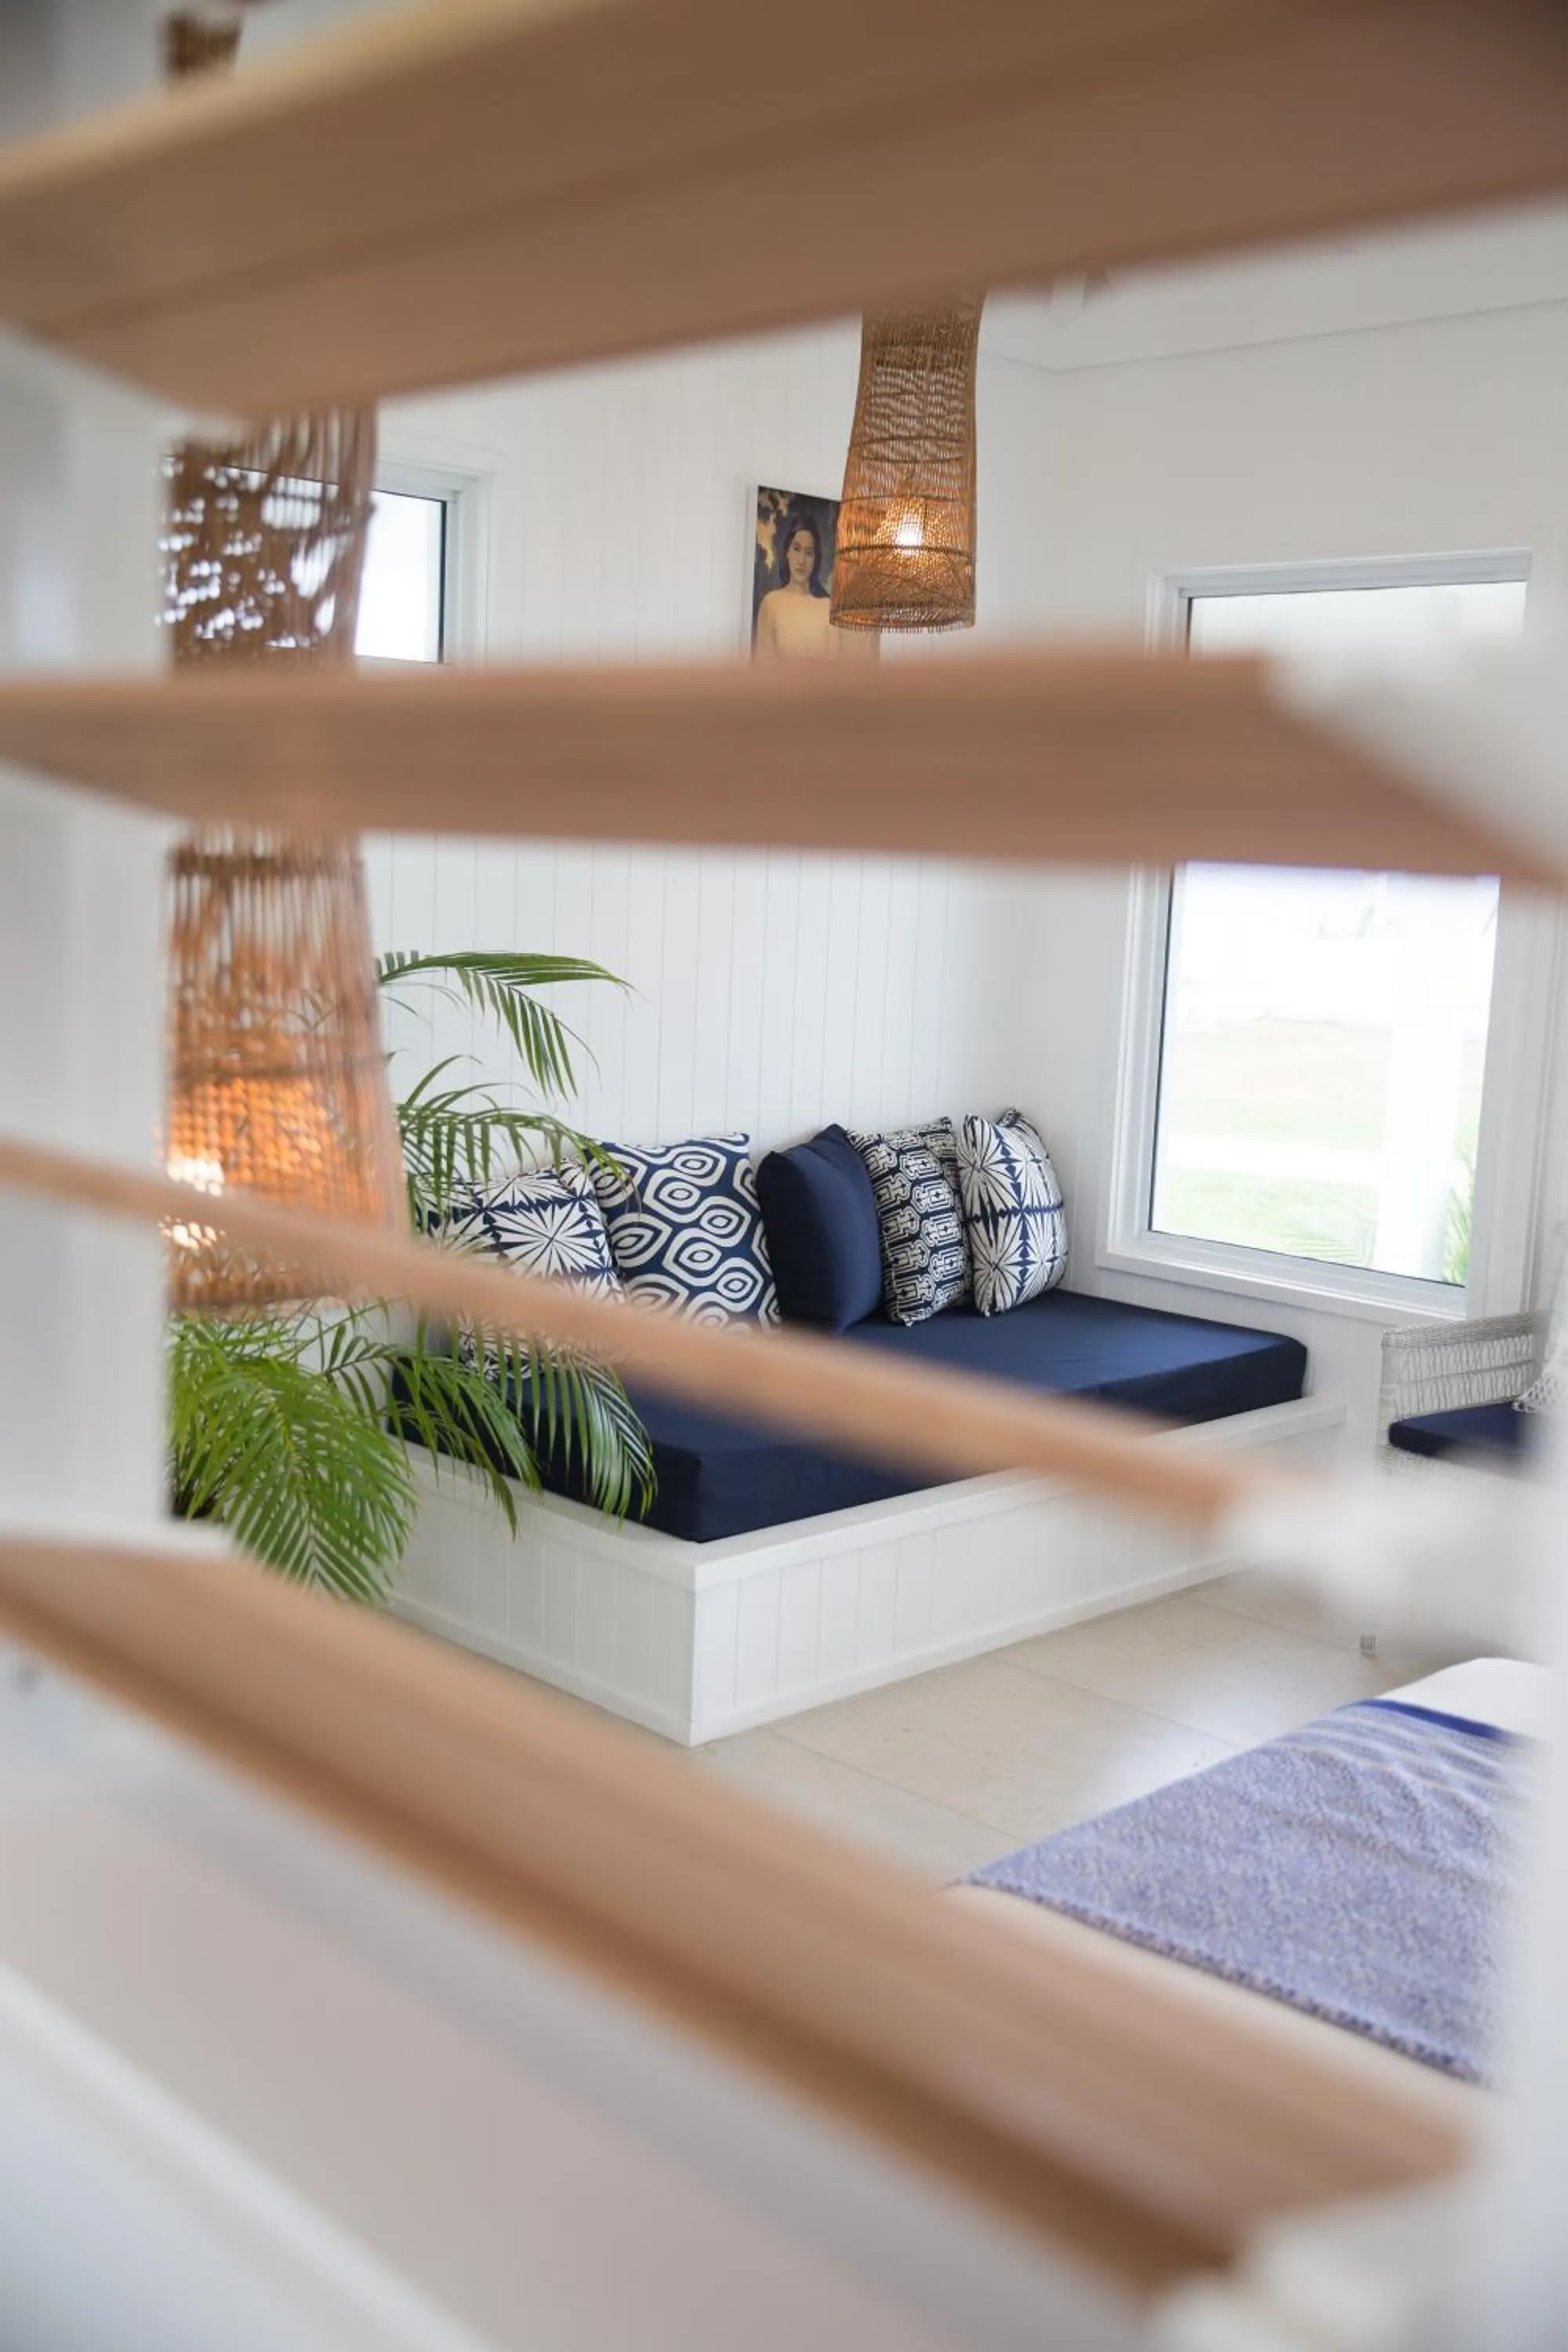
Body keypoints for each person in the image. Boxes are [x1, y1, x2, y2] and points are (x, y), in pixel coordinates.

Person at [753, 508, 834, 660]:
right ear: (787, 552)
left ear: (815, 559)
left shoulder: (827, 607)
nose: (802, 560)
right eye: (797, 549)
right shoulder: (771, 603)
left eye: (809, 553)